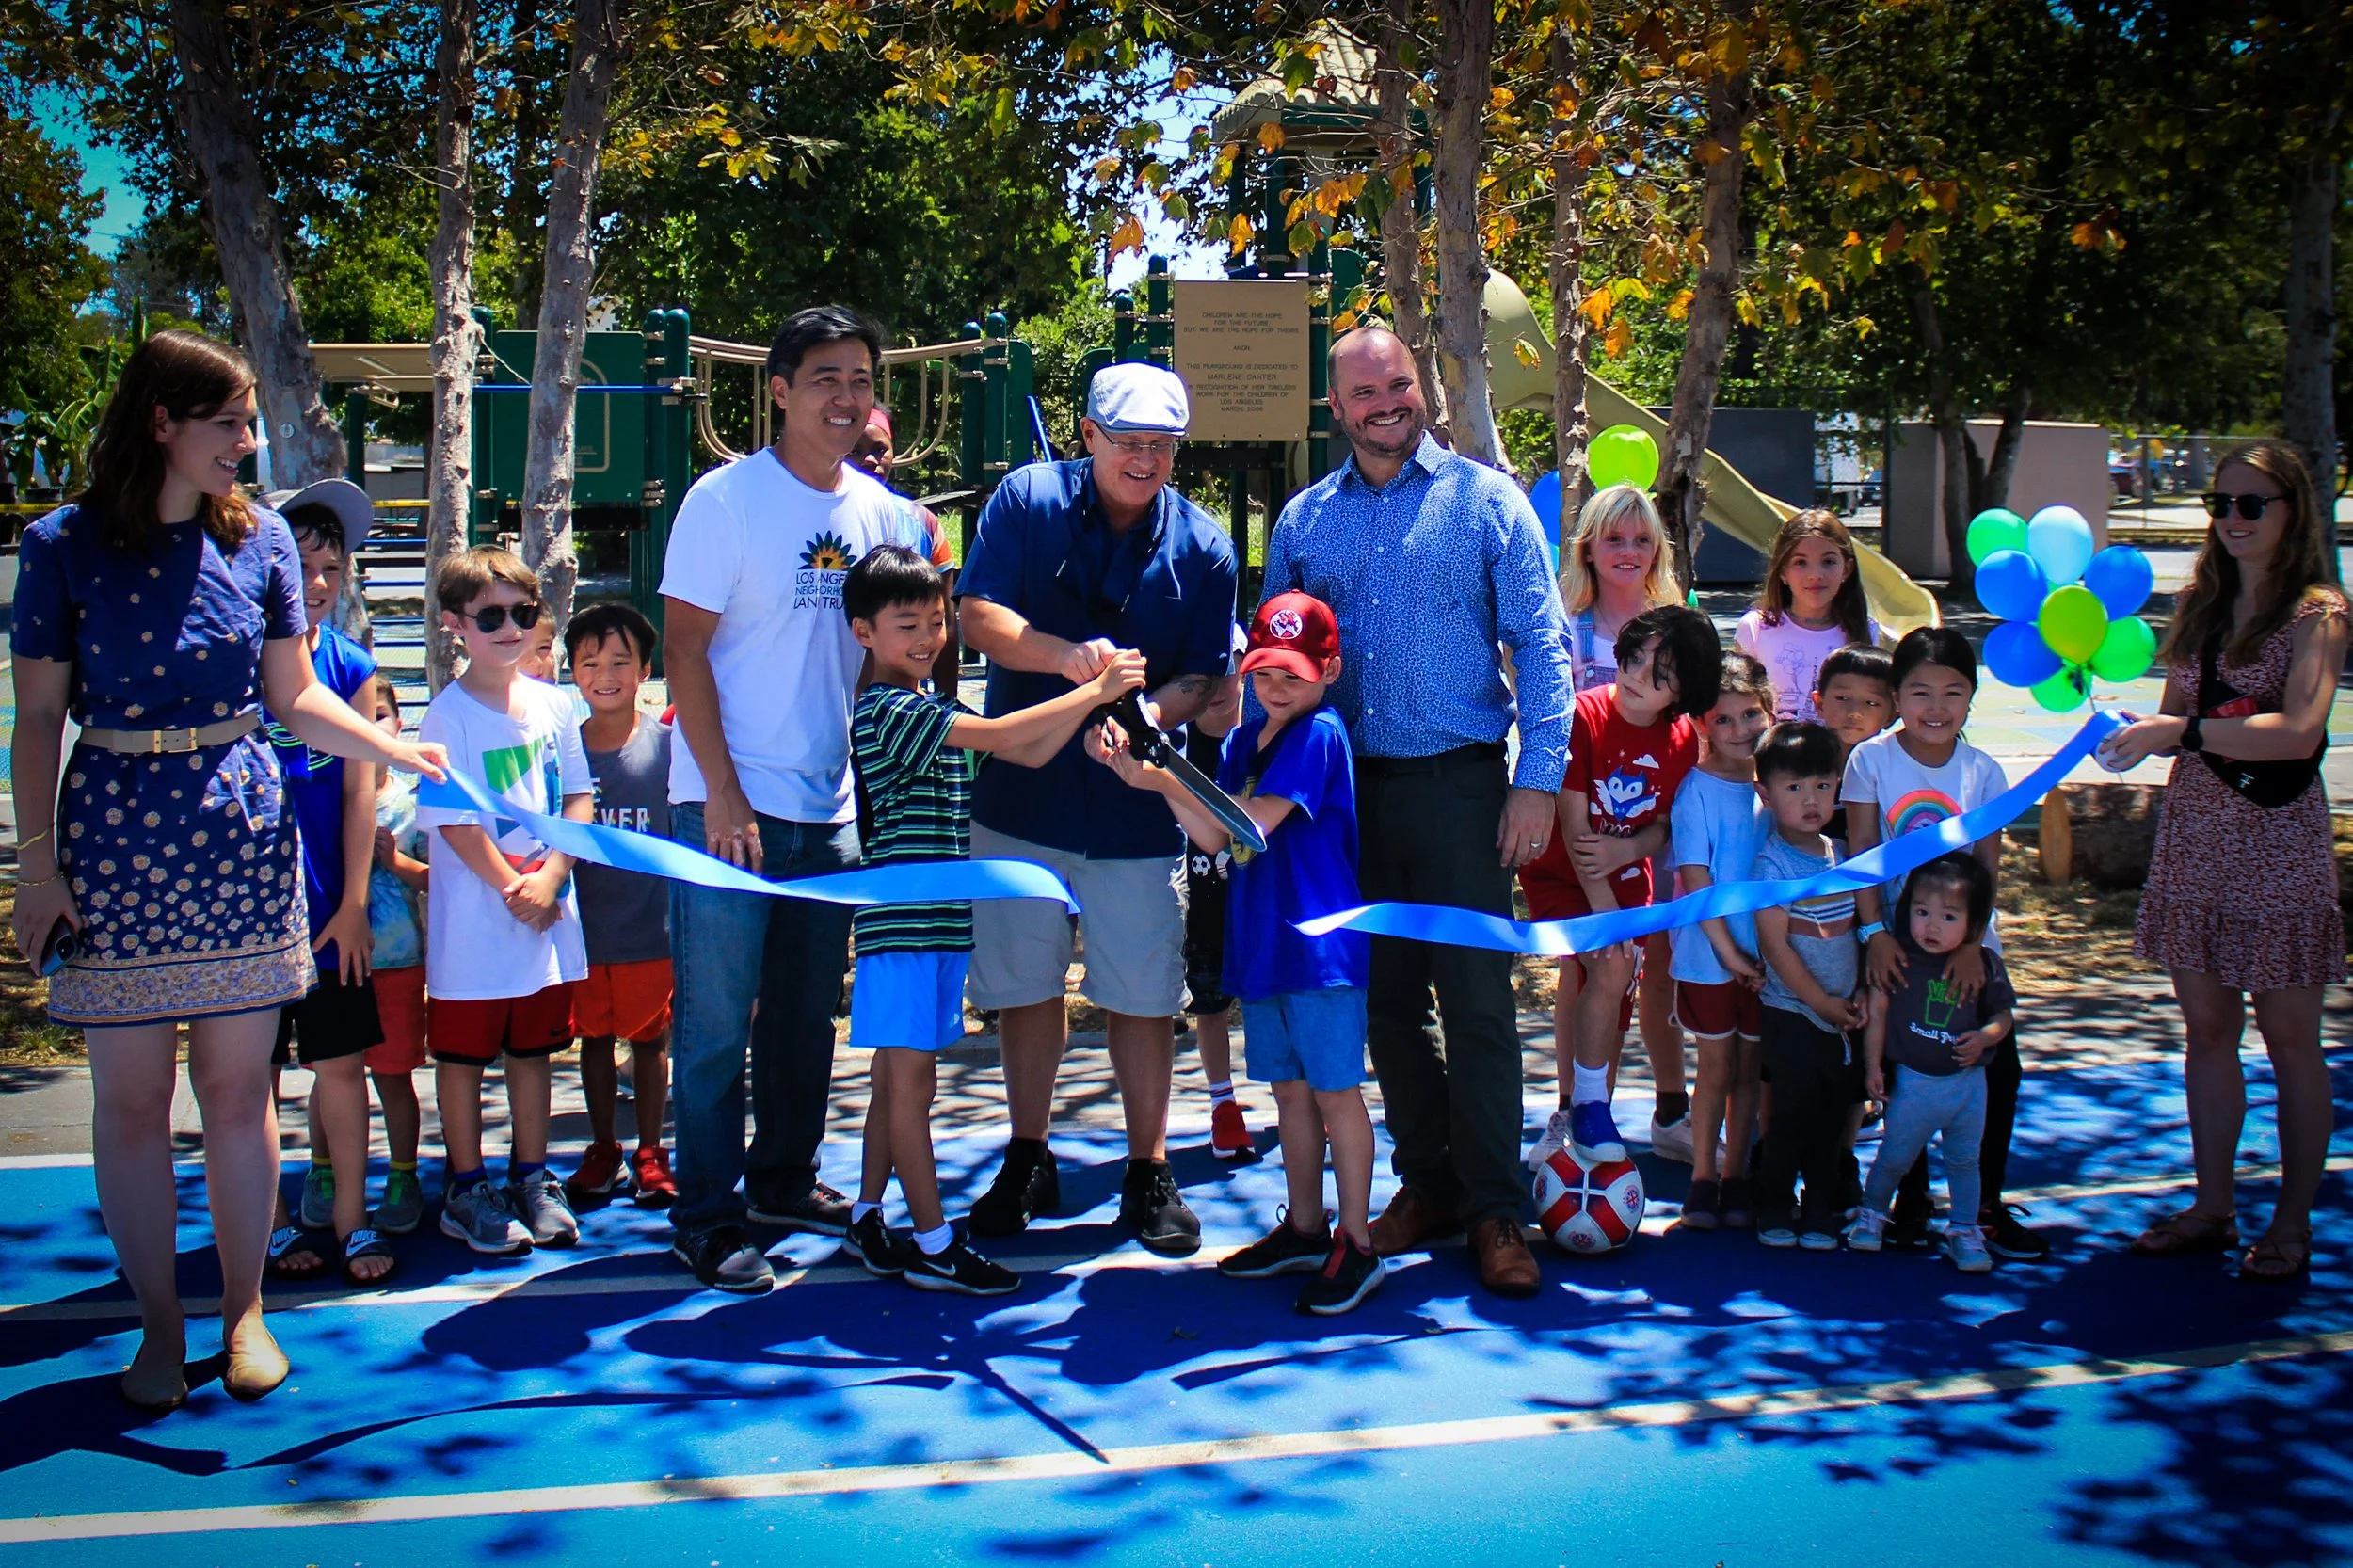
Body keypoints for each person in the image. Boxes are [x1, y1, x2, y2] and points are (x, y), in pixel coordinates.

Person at [7, 328, 446, 1411]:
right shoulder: (59, 546)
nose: (248, 445)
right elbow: (40, 718)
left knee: (243, 1090)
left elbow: (296, 697)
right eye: (230, 424)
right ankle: (159, 1323)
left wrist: (397, 747)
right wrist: (36, 866)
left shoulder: (261, 547)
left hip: (241, 842)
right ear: (161, 422)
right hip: (113, 842)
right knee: (130, 1101)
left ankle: (243, 1311)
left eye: (249, 424)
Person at [1260, 324, 1573, 1299]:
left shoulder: (1486, 502)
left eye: (1396, 384)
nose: (1382, 403)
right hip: (1346, 803)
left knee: (1477, 1007)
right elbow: (1276, 663)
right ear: (1336, 406)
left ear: (1422, 387)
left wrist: (1539, 779)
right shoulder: (1304, 522)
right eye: (1361, 393)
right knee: (1387, 1010)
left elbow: (1544, 644)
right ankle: (1429, 1183)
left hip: (1466, 790)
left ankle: (1494, 1210)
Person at [659, 305, 930, 1293]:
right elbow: (681, 649)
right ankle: (706, 1214)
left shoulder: (887, 517)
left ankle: (780, 1178)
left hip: (834, 814)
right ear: (777, 389)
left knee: (805, 1018)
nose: (845, 397)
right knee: (717, 1023)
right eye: (824, 377)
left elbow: (895, 668)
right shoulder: (723, 501)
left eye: (859, 377)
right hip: (726, 807)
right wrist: (724, 795)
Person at [954, 360, 1237, 1256]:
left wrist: (1159, 713)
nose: (1145, 458)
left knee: (1143, 993)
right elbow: (976, 616)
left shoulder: (1206, 546)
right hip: (1021, 796)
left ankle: (1148, 1169)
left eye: (1162, 444)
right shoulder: (1024, 501)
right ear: (1088, 435)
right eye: (1127, 441)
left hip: (1137, 808)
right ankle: (1028, 1152)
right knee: (1024, 986)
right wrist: (1070, 660)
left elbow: (1203, 674)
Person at [840, 546, 1146, 1294]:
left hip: (941, 929)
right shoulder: (891, 712)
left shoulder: (934, 710)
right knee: (911, 1087)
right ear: (862, 633)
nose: (927, 637)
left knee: (898, 1082)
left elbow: (1030, 751)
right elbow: (1009, 738)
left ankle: (868, 1216)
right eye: (906, 623)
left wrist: (1090, 705)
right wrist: (1092, 686)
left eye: (937, 622)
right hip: (906, 933)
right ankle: (935, 1240)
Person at [2101, 439, 2346, 1283]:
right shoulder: (2200, 606)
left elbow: (2300, 731)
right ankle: (2212, 1206)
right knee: (2207, 1032)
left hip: (2277, 844)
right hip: (2197, 837)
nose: (2232, 520)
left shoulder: (2319, 613)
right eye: (2222, 504)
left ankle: (2290, 1223)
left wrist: (2182, 732)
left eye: (2253, 504)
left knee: (2289, 1041)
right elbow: (2176, 715)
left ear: (2292, 514)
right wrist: (2130, 733)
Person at [1105, 592, 1385, 1315]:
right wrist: (1146, 777)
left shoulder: (1319, 734)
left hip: (1321, 952)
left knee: (1334, 1093)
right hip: (1263, 946)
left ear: (1329, 670)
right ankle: (1304, 1225)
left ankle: (1357, 1243)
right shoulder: (1239, 742)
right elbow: (1210, 837)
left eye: (1293, 673)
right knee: (1289, 1094)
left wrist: (1163, 769)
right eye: (1264, 671)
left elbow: (1250, 829)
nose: (1276, 686)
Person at [416, 547, 595, 1258]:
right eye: (492, 615)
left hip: (547, 922)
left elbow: (579, 796)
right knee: (462, 1059)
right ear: (456, 623)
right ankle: (466, 1187)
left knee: (533, 1053)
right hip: (476, 930)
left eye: (524, 613)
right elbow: (452, 822)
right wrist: (513, 886)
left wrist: (551, 877)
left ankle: (531, 1175)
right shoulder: (446, 718)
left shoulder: (556, 705)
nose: (511, 627)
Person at [1843, 628, 2041, 1258]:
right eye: (1920, 691)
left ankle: (1982, 1208)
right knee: (1906, 1075)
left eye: (1953, 692)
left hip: (1965, 949)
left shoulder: (1984, 771)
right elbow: (1865, 857)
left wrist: (1971, 946)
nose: (1936, 707)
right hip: (1896, 950)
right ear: (1896, 696)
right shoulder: (1870, 761)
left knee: (1994, 1070)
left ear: (1972, 698)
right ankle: (1908, 1201)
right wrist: (1874, 934)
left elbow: (1988, 868)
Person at [254, 481, 392, 1288]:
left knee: (342, 1071)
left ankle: (353, 1224)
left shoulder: (349, 664)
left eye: (330, 568)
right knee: (250, 1081)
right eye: (299, 562)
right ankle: (269, 1230)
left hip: (327, 915)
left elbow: (358, 793)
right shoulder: (230, 664)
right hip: (242, 919)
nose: (314, 582)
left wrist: (350, 905)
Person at [1524, 605, 1717, 1174]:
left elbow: (1662, 826)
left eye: (1661, 673)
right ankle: (1581, 1108)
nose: (1637, 676)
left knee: (1617, 994)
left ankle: (1589, 1113)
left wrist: (1629, 852)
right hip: (1563, 876)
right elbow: (1578, 831)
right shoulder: (1580, 715)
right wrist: (1609, 918)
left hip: (1629, 879)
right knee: (1607, 966)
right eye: (1635, 659)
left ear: (1685, 689)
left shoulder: (1682, 740)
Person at [1555, 483, 1693, 1164]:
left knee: (1658, 965)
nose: (1629, 552)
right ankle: (1574, 1114)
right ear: (1588, 546)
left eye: (1642, 540)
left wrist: (1643, 841)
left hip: (1656, 828)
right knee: (1585, 969)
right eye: (1615, 538)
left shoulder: (1678, 623)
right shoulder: (1567, 629)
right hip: (1582, 831)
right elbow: (1555, 734)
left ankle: (1672, 1108)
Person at [559, 603, 679, 1210]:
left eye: (620, 662)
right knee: (595, 1042)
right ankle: (603, 1148)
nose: (605, 674)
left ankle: (652, 1152)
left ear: (644, 669)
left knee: (650, 1043)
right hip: (582, 933)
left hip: (650, 931)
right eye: (590, 663)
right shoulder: (559, 751)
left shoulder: (670, 745)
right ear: (572, 672)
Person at [1846, 854, 2015, 1272]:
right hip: (1914, 1086)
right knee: (1893, 1157)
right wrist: (1873, 1067)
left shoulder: (1984, 964)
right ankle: (1871, 1214)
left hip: (1967, 1087)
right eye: (1922, 912)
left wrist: (1985, 1038)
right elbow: (1879, 1014)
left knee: (1964, 1162)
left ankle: (1964, 1229)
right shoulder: (1898, 958)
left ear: (1975, 924)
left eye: (1948, 916)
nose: (1932, 926)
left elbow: (2003, 1016)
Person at [1750, 720, 1866, 1250]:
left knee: (1830, 1121)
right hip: (1792, 1015)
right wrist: (1819, 1002)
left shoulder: (1842, 854)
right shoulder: (1771, 864)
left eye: (1822, 784)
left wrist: (1856, 996)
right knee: (1791, 1118)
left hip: (1843, 1018)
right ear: (1766, 795)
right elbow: (1776, 948)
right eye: (1794, 787)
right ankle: (1773, 1204)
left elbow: (1861, 932)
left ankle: (1819, 1207)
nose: (1810, 798)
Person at [1668, 652, 1774, 1231]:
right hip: (1709, 959)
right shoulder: (1695, 792)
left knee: (1749, 1069)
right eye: (1724, 719)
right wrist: (1730, 953)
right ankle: (1703, 1179)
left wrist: (1765, 955)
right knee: (1714, 1070)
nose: (1740, 731)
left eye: (1751, 715)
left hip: (1769, 960)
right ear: (1701, 725)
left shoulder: (1776, 786)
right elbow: (1696, 879)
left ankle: (1738, 1176)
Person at [1182, 638, 1258, 1160]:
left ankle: (1299, 1096)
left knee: (1273, 1001)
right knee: (1209, 1000)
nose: (1215, 687)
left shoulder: (1262, 741)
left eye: (1226, 671)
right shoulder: (1172, 747)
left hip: (1262, 903)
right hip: (1202, 899)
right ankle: (1222, 1104)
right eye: (1200, 675)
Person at [361, 675, 431, 1237]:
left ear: (398, 723)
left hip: (399, 967)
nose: (368, 725)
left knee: (393, 1080)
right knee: (332, 1080)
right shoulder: (320, 798)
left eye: (379, 714)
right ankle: (323, 1171)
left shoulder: (412, 805)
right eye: (353, 713)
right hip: (334, 967)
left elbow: (442, 878)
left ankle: (404, 1175)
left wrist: (397, 864)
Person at [852, 405, 961, 694]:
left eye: (879, 449)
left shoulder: (922, 523)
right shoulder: (823, 517)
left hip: (905, 696)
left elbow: (945, 620)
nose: (869, 460)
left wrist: (946, 699)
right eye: (855, 450)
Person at [1735, 510, 1881, 722]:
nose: (1815, 575)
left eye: (1828, 562)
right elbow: (1739, 704)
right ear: (1783, 571)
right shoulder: (1755, 628)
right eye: (1800, 563)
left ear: (1846, 569)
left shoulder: (1865, 631)